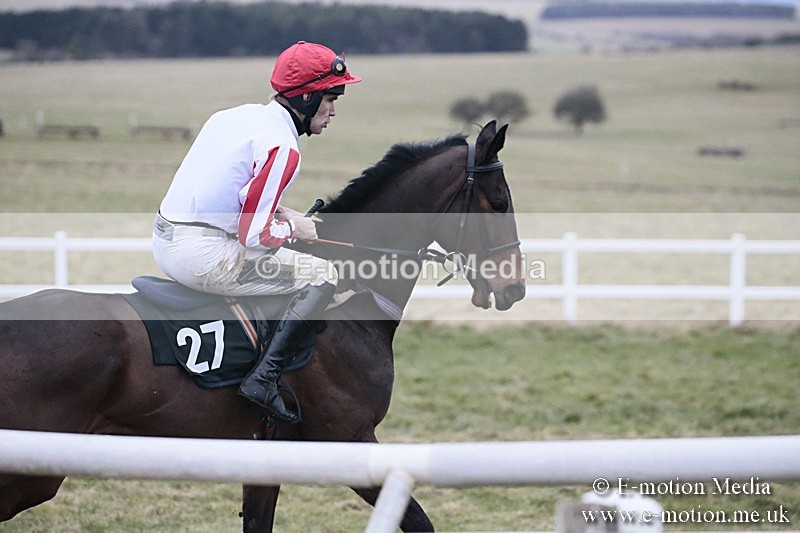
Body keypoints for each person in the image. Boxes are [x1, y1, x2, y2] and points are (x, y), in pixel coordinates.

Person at [152, 41, 361, 423]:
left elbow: (234, 191)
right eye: (331, 98)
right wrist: (294, 227)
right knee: (321, 274)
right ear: (308, 97)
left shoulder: (234, 117)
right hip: (201, 255)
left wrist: (281, 213)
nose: (333, 111)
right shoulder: (285, 148)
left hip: (167, 237)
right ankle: (263, 379)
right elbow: (253, 236)